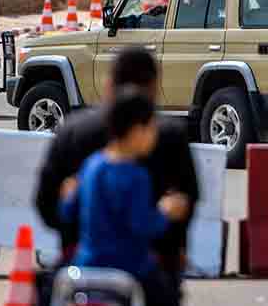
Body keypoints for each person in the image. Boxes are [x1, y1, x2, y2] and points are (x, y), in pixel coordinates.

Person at [35, 48, 199, 303]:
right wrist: (166, 212)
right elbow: (151, 221)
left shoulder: (85, 154)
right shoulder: (151, 157)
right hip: (138, 267)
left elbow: (51, 209)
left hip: (83, 263)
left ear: (108, 84)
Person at [59, 88, 189, 306]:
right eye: (151, 129)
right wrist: (166, 212)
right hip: (129, 267)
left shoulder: (92, 165)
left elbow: (68, 211)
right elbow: (142, 225)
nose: (154, 135)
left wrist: (67, 195)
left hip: (87, 265)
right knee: (168, 294)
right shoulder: (136, 175)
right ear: (137, 131)